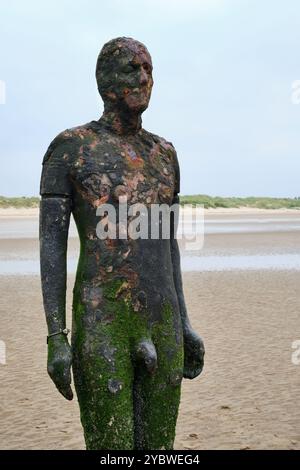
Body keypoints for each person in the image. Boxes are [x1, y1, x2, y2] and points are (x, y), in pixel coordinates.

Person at [40, 37, 205, 450]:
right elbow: (52, 250)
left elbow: (167, 246)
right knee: (110, 449)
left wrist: (184, 322)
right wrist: (57, 337)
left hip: (162, 321)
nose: (144, 77)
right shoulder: (71, 149)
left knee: (159, 450)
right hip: (103, 325)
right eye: (132, 68)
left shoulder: (164, 155)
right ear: (104, 79)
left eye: (149, 69)